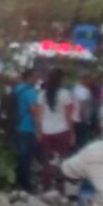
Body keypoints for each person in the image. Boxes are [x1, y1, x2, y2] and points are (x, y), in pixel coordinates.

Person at [36, 68, 75, 196]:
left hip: (46, 132)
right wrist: (72, 133)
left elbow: (39, 116)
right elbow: (69, 116)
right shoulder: (65, 94)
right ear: (61, 79)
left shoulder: (42, 94)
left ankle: (46, 187)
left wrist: (39, 131)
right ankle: (60, 188)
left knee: (47, 160)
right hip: (62, 131)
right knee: (62, 160)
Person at [13, 69, 42, 193]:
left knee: (19, 156)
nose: (37, 80)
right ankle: (25, 185)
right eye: (35, 77)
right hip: (27, 128)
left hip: (16, 126)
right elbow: (34, 111)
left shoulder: (17, 89)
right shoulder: (30, 92)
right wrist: (38, 130)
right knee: (26, 157)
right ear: (29, 77)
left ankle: (17, 182)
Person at [72, 71, 96, 148]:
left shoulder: (76, 88)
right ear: (84, 79)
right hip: (82, 121)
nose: (91, 81)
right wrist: (85, 121)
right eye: (90, 79)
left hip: (75, 119)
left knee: (78, 141)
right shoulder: (84, 91)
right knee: (82, 142)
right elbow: (82, 107)